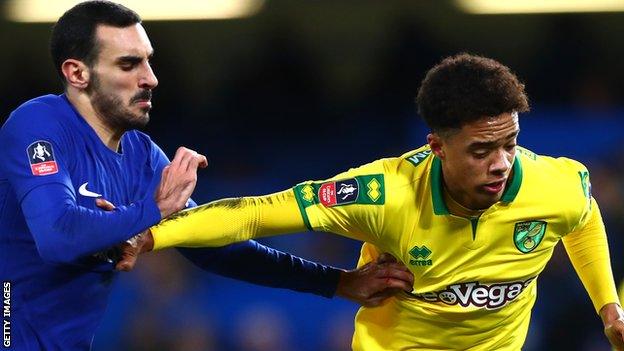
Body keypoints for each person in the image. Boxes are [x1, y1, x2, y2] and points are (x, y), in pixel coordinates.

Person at [0, 1, 414, 350]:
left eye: (148, 61)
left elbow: (215, 247)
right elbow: (58, 237)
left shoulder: (142, 157)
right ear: (77, 73)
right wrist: (155, 208)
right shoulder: (38, 124)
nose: (150, 78)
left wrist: (338, 283)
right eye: (129, 64)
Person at [141, 53, 624, 350]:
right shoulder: (383, 193)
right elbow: (256, 213)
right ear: (436, 146)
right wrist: (148, 235)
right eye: (481, 150)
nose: (501, 163)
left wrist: (609, 307)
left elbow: (582, 217)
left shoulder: (554, 182)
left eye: (510, 143)